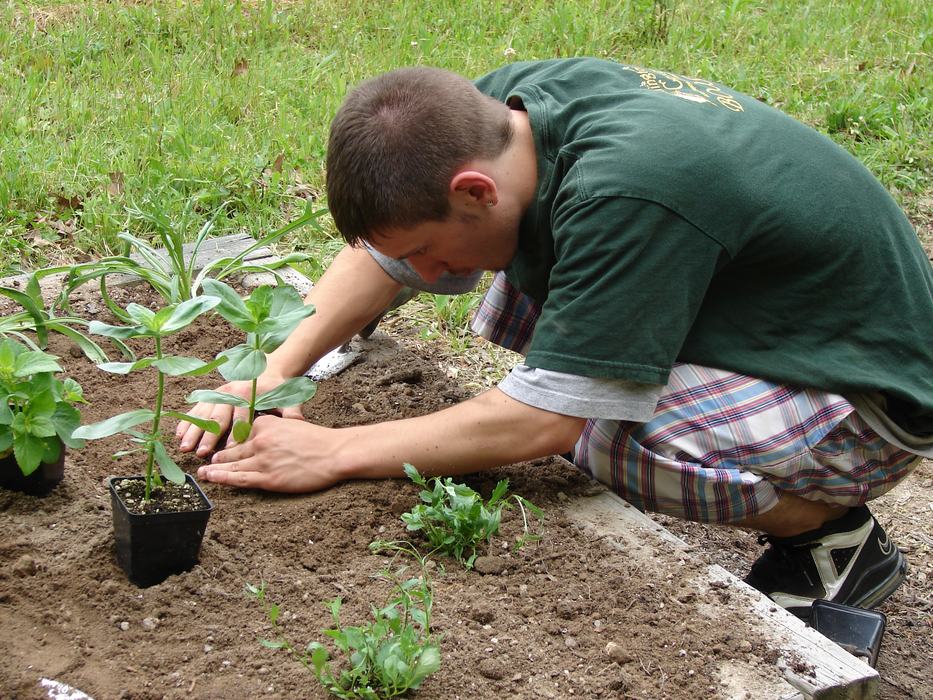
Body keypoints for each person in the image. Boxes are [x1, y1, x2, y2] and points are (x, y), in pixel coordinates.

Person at [176, 58, 933, 619]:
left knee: (610, 433)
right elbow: (378, 252)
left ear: (473, 190)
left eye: (421, 251)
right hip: (781, 311)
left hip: (873, 392)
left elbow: (545, 420)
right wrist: (267, 372)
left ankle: (832, 537)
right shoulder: (502, 119)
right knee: (521, 291)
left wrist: (336, 452)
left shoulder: (626, 191)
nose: (415, 273)